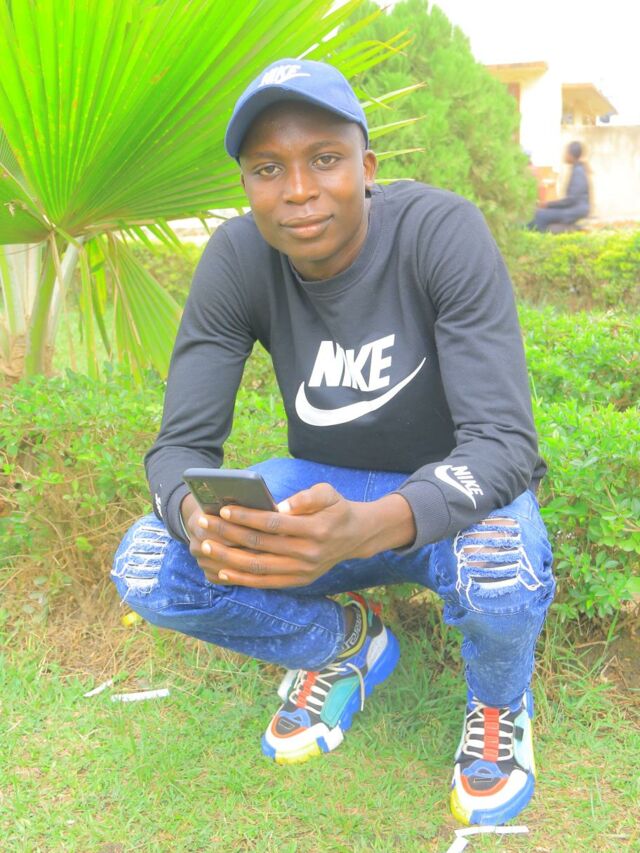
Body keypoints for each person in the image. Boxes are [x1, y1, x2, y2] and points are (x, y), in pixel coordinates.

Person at [111, 58, 554, 827]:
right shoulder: (238, 258)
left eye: (324, 159)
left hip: (448, 502)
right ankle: (343, 643)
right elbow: (177, 449)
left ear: (367, 167)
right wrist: (196, 517)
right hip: (322, 493)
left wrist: (371, 524)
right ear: (247, 186)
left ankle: (497, 704)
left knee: (499, 558)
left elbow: (505, 445)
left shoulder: (440, 232)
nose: (298, 190)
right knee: (149, 564)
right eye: (267, 169)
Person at [529, 140, 590, 232]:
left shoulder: (578, 172)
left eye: (566, 152)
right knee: (540, 213)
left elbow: (571, 200)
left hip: (574, 211)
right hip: (573, 209)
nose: (564, 155)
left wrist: (548, 205)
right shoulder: (577, 169)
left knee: (540, 215)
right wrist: (548, 205)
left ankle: (543, 236)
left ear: (571, 155)